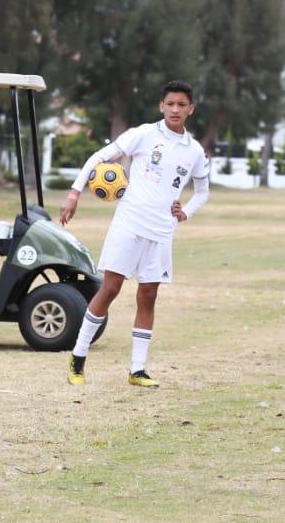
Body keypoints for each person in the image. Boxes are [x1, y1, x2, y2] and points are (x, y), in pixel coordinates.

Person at [60, 80, 211, 388]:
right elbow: (97, 158)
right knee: (111, 289)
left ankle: (137, 370)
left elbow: (203, 191)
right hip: (129, 224)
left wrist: (186, 213)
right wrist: (75, 193)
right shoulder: (143, 134)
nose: (175, 109)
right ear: (161, 106)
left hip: (161, 231)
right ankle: (78, 356)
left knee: (148, 295)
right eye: (170, 103)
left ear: (190, 110)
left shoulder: (194, 151)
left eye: (182, 105)